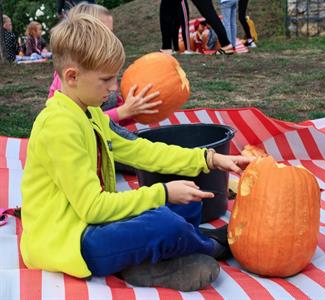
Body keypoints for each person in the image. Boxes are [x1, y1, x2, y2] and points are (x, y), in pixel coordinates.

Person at [20, 14, 254, 291]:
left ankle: (143, 264)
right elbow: (94, 209)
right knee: (163, 221)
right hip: (72, 241)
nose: (114, 88)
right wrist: (163, 193)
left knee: (188, 201)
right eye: (106, 79)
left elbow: (139, 150)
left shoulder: (90, 113)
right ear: (72, 76)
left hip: (99, 224)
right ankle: (211, 245)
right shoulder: (58, 126)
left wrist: (209, 159)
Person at [48, 3, 161, 128]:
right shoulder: (69, 82)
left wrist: (136, 110)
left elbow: (115, 116)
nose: (109, 38)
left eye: (111, 32)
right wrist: (123, 112)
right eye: (103, 31)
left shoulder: (101, 72)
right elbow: (82, 121)